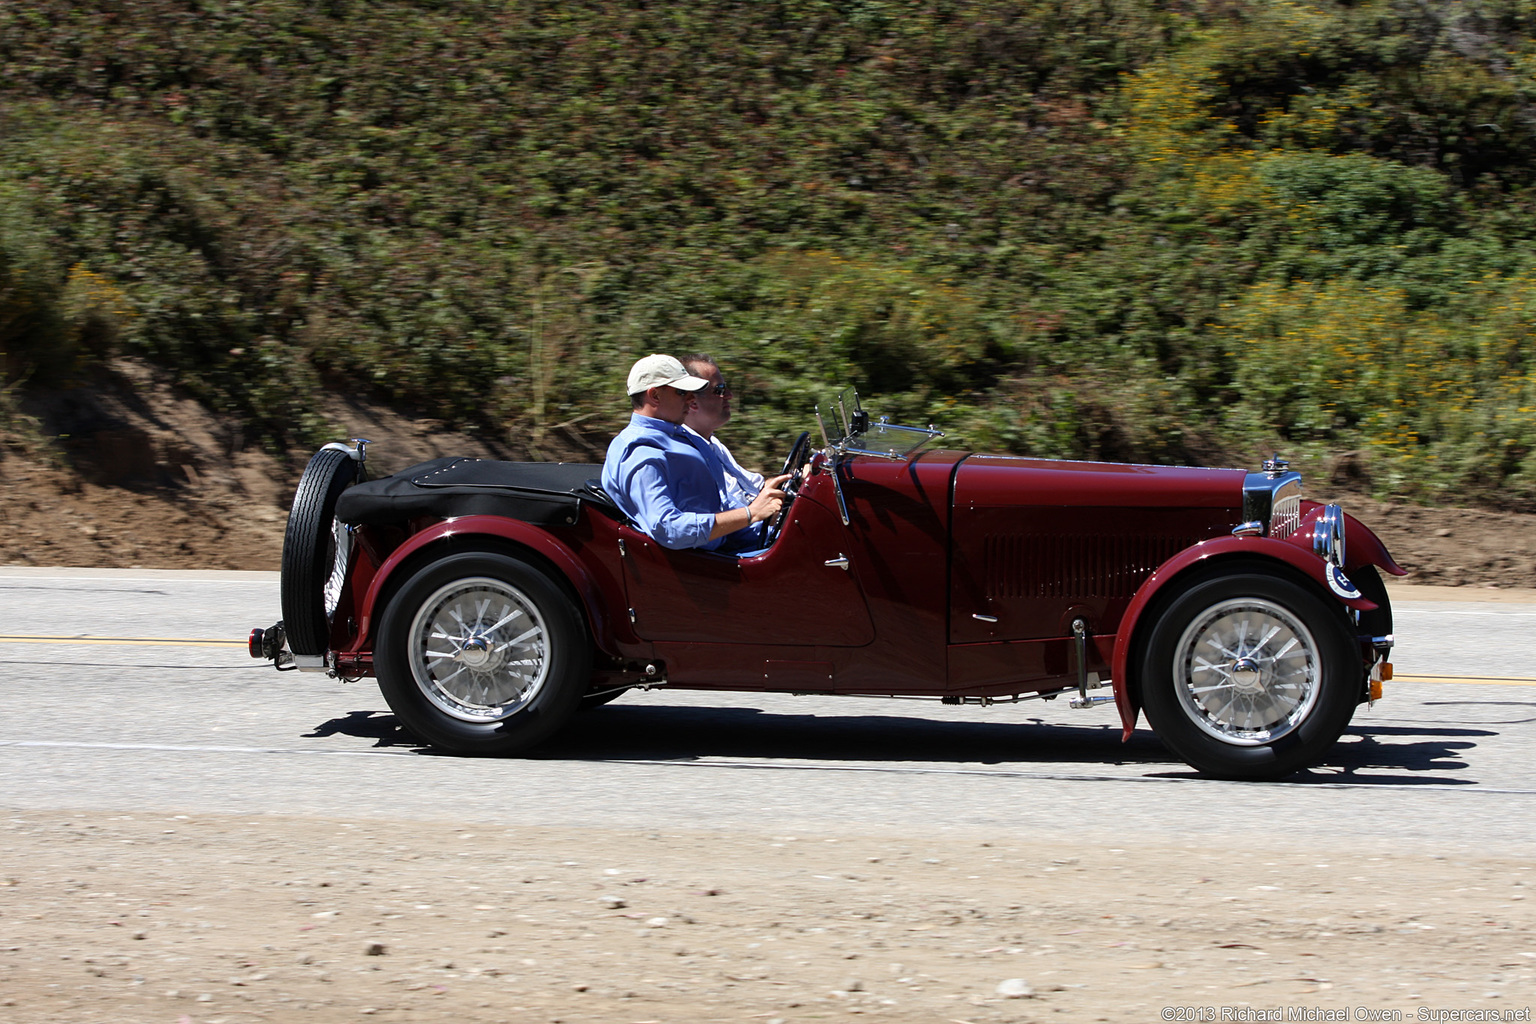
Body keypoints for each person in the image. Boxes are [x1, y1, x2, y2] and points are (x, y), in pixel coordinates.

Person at [601, 354, 787, 552]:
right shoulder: (641, 452)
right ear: (655, 396)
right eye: (682, 392)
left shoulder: (680, 436)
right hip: (703, 562)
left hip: (730, 545)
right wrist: (751, 514)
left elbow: (721, 506)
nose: (691, 399)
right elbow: (669, 529)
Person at [680, 353, 767, 510]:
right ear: (692, 401)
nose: (729, 395)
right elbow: (729, 511)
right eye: (719, 390)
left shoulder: (712, 442)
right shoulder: (688, 453)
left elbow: (753, 487)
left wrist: (798, 476)